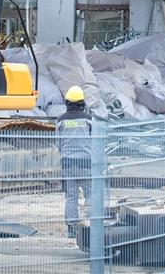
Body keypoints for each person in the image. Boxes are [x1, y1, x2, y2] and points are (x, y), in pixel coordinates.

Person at [56, 85, 92, 237]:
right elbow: (95, 140)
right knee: (90, 195)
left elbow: (57, 143)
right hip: (85, 162)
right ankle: (92, 225)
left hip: (68, 162)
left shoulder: (61, 120)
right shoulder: (89, 120)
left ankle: (71, 228)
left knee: (71, 196)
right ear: (82, 102)